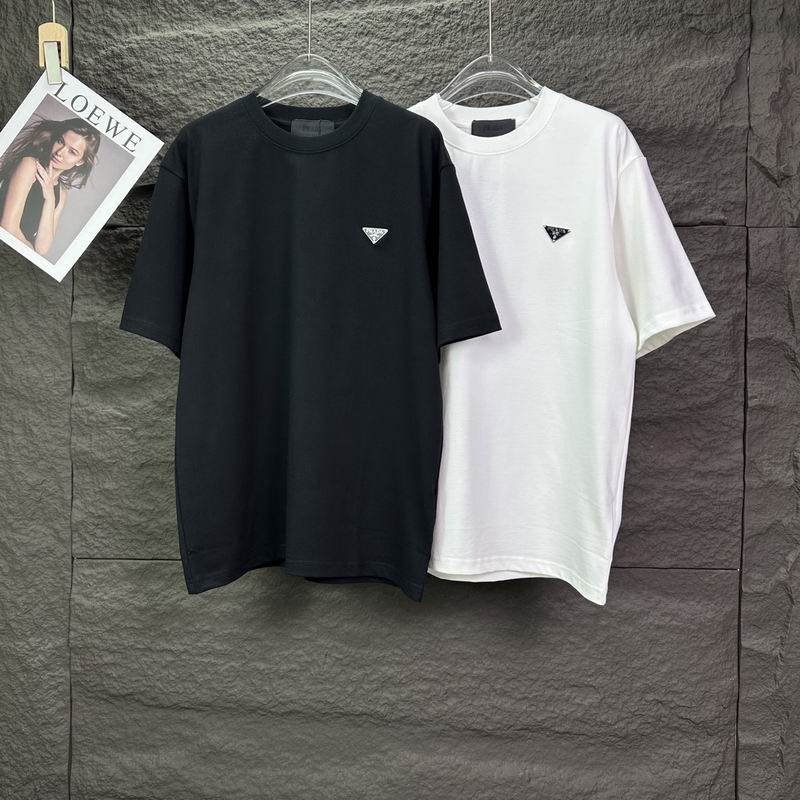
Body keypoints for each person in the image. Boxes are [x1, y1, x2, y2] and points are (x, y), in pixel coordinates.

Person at [0, 117, 100, 257]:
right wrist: (32, 254)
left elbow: (42, 248)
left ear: (80, 161)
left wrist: (50, 199)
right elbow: (7, 227)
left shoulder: (62, 192)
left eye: (72, 152)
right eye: (60, 141)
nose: (60, 152)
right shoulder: (30, 165)